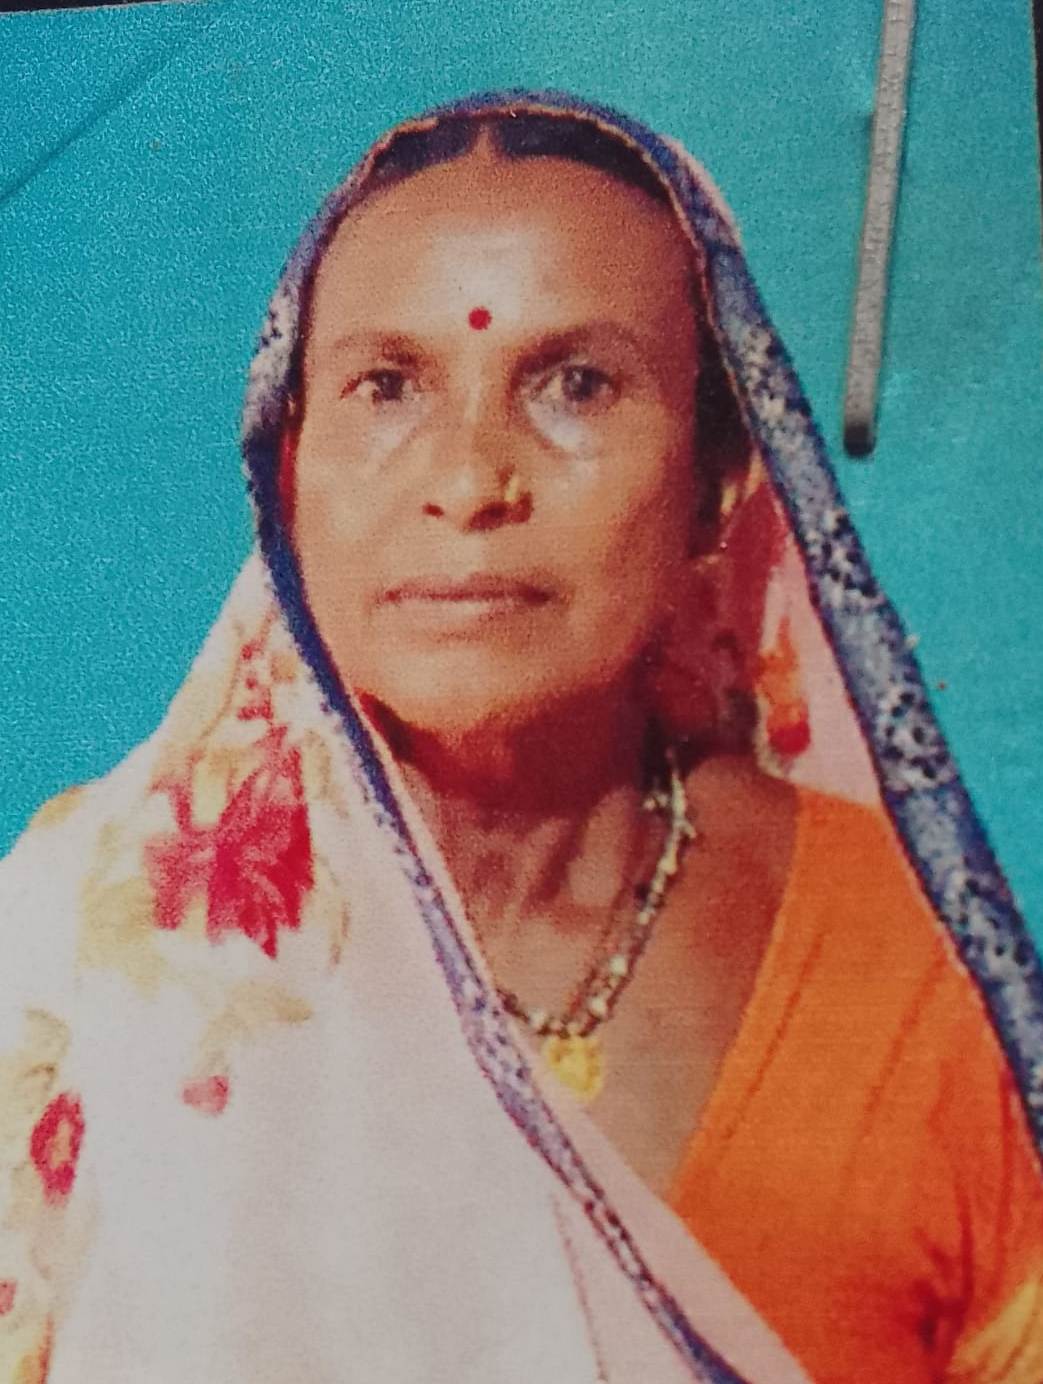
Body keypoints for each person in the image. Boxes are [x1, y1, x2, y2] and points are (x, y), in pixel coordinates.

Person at [1, 91, 1041, 1384]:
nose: (469, 481)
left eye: (575, 385)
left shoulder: (913, 969)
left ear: (718, 478)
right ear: (288, 461)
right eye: (388, 387)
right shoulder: (75, 953)